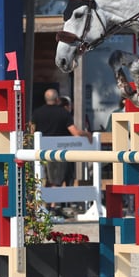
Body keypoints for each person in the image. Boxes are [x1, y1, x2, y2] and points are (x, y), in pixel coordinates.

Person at [30, 88, 92, 216]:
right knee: (56, 181)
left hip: (40, 150)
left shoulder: (37, 113)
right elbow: (75, 132)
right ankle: (52, 208)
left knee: (44, 179)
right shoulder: (63, 113)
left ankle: (42, 206)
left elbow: (32, 132)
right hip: (57, 150)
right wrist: (87, 134)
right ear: (57, 99)